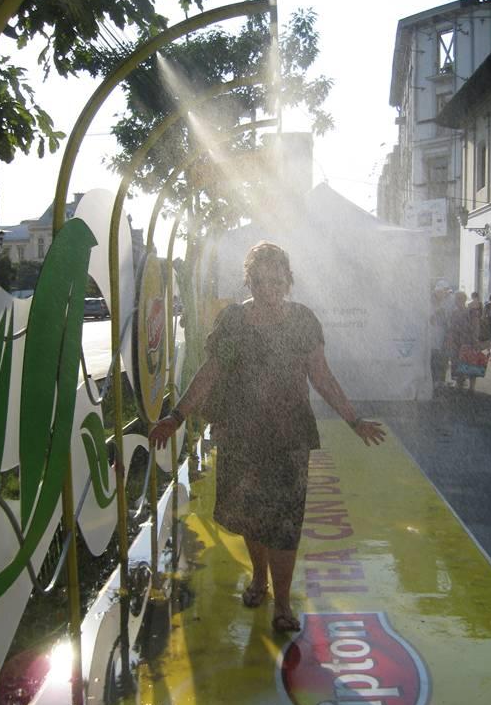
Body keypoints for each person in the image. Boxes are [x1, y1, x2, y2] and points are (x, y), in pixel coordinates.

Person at [149, 241, 386, 633]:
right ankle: (259, 576)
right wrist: (176, 416)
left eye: (277, 279)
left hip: (290, 435)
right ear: (250, 281)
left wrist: (354, 420)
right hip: (242, 435)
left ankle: (282, 604)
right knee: (251, 517)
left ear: (288, 280)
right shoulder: (233, 322)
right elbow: (210, 372)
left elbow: (321, 376)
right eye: (261, 280)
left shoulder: (303, 321)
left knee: (285, 522)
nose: (270, 287)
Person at [447, 290, 481, 392]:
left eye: (460, 299)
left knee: (470, 361)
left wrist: (475, 339)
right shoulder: (454, 312)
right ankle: (459, 382)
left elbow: (476, 326)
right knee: (457, 361)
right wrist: (451, 338)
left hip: (468, 340)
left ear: (464, 299)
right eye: (457, 299)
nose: (458, 301)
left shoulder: (470, 311)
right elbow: (451, 327)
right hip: (457, 340)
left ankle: (471, 386)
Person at [430, 281, 451, 393]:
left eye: (443, 292)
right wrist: (436, 312)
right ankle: (433, 381)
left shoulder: (447, 304)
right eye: (440, 292)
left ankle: (441, 381)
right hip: (432, 336)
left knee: (443, 359)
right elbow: (429, 319)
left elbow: (448, 322)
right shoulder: (430, 304)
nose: (442, 295)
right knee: (433, 358)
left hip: (443, 336)